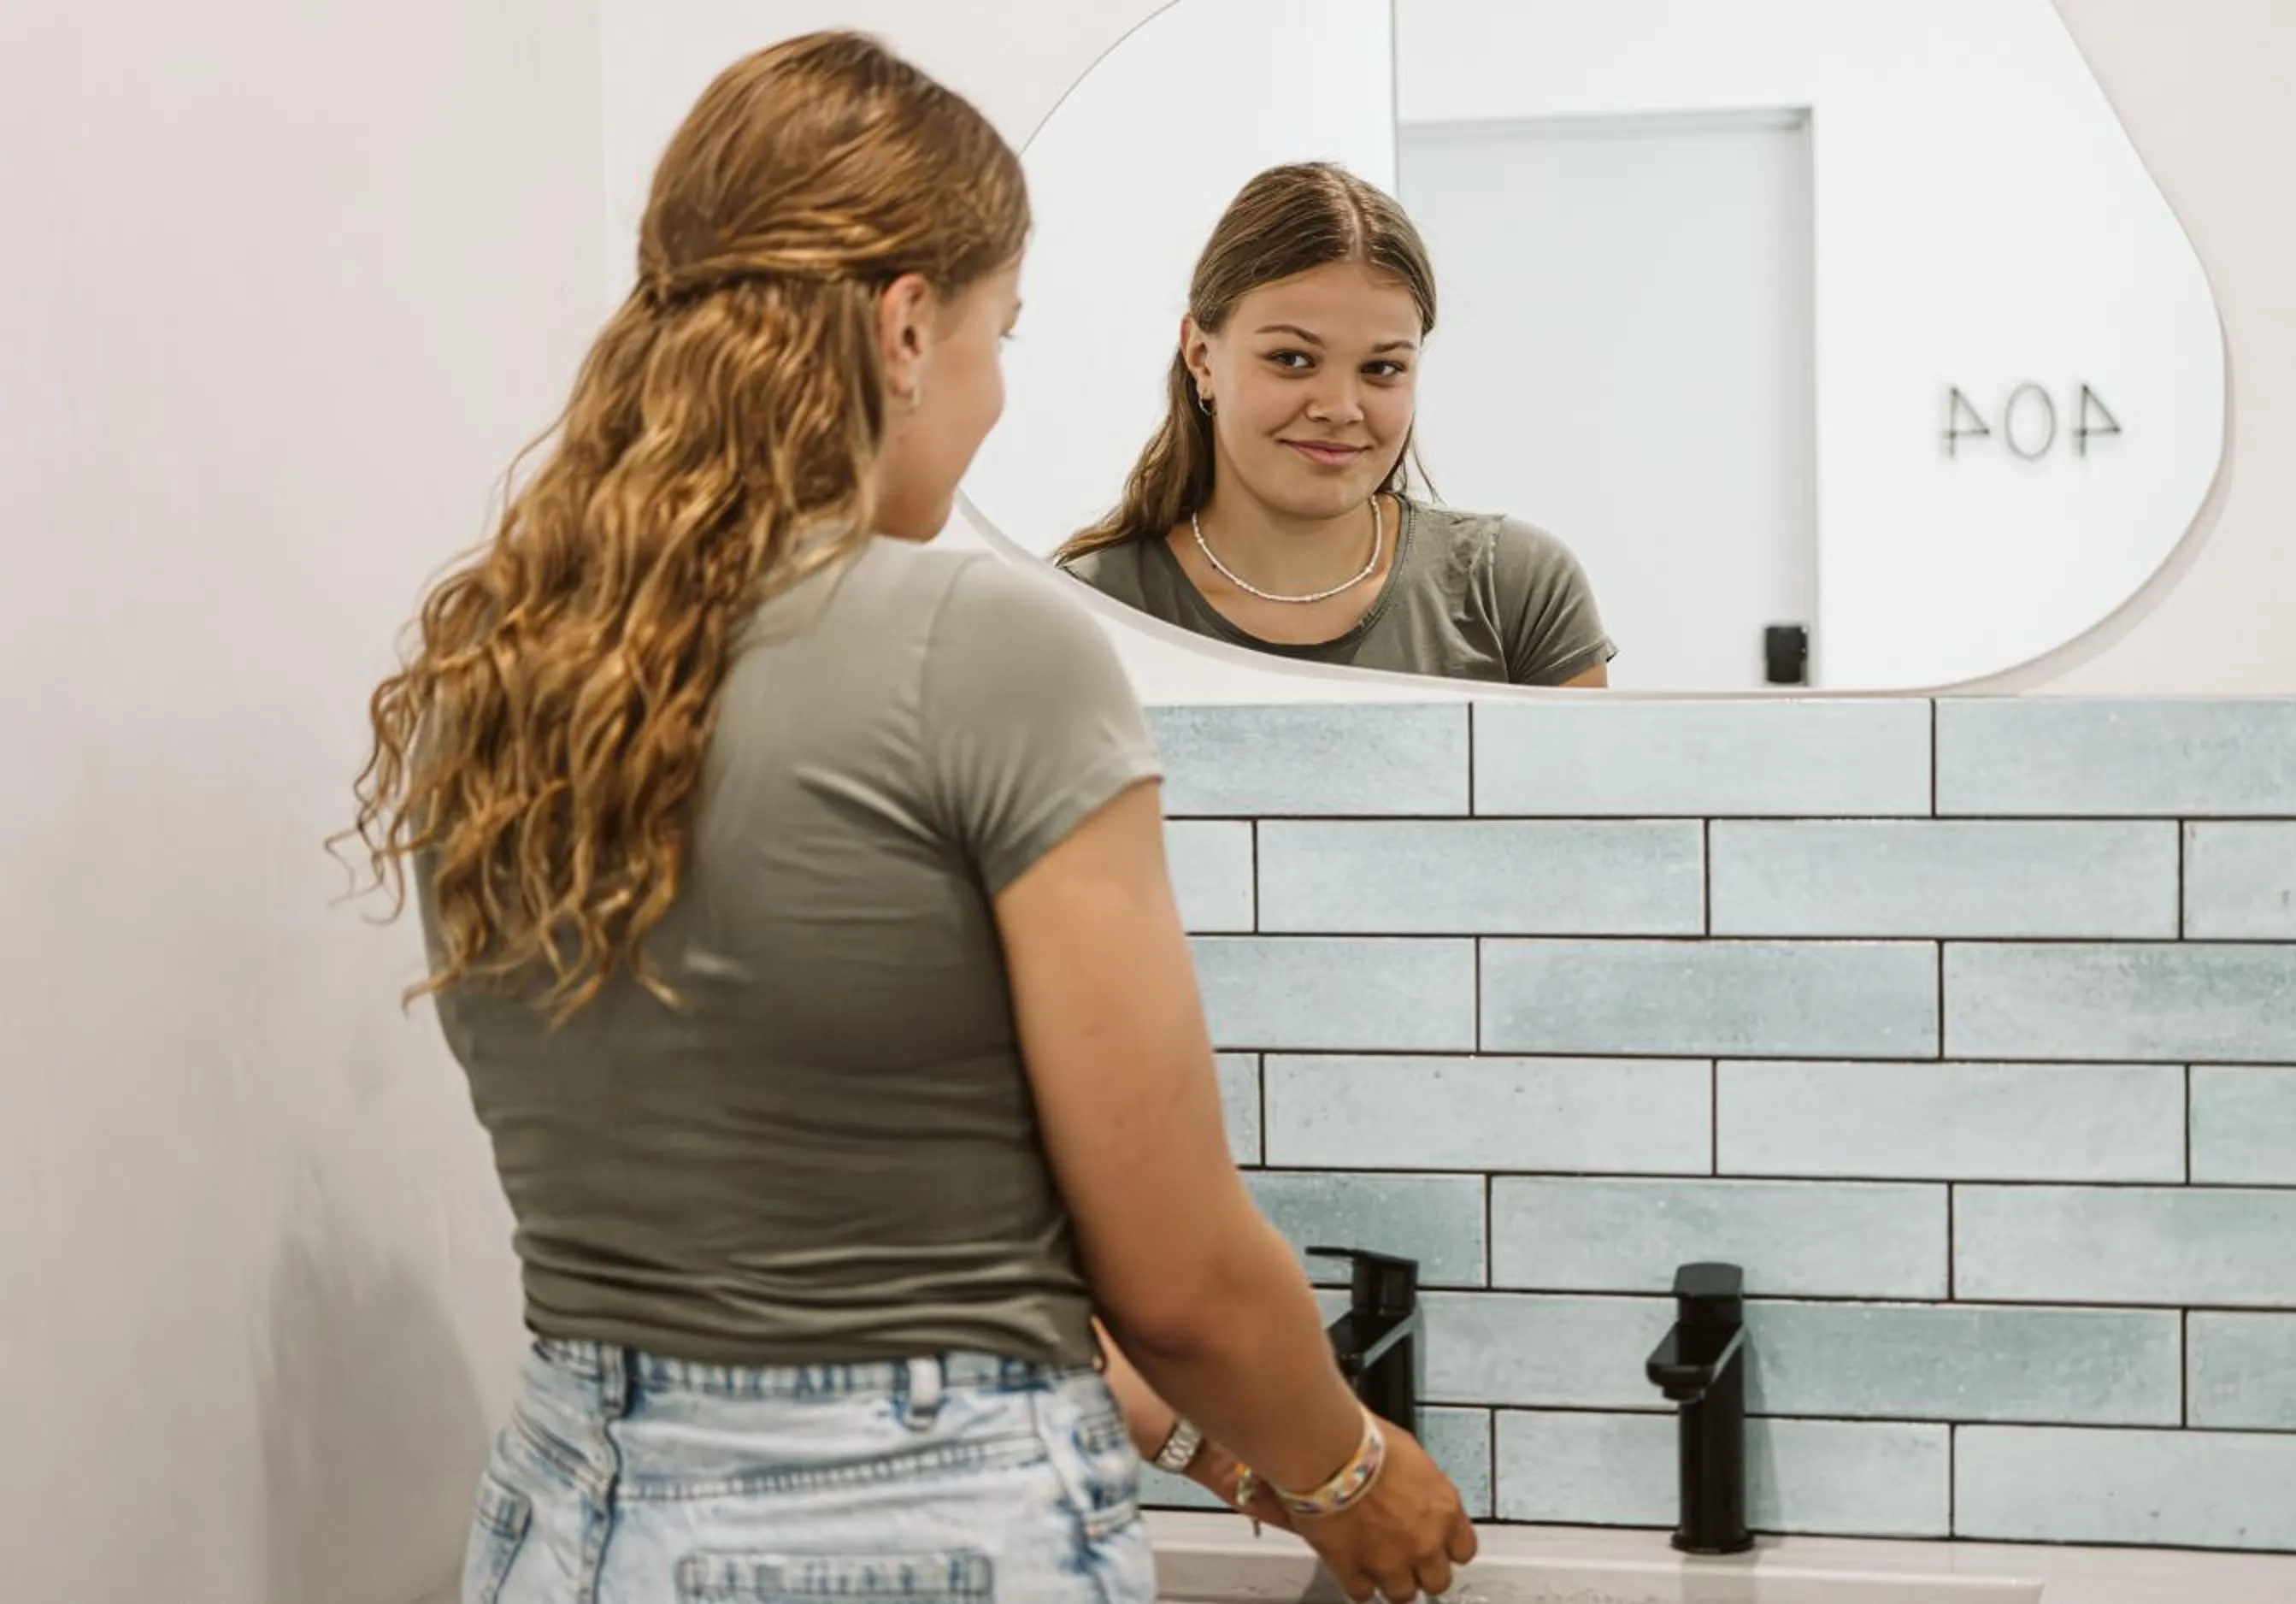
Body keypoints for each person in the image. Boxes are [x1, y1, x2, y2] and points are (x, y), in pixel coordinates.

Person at [339, 33, 1475, 1604]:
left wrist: (1221, 1455)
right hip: (914, 1526)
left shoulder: (508, 671)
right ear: (904, 326)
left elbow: (863, 1212)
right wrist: (1345, 1467)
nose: (998, 389)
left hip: (567, 1512)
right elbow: (1178, 1272)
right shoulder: (991, 651)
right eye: (1001, 333)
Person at [1056, 162, 1614, 687]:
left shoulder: (1514, 589)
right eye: (1292, 359)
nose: (1341, 407)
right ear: (1201, 356)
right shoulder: (1082, 612)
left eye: (1382, 369)